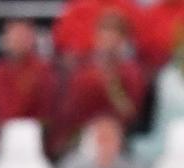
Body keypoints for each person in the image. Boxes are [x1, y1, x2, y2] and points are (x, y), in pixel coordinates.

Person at [57, 12, 147, 153]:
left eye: (114, 36)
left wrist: (112, 82)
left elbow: (130, 114)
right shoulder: (82, 68)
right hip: (83, 134)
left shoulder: (132, 72)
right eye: (104, 34)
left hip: (118, 136)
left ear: (123, 40)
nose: (108, 41)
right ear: (96, 36)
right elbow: (70, 110)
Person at [0, 19, 57, 156]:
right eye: (14, 36)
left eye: (23, 36)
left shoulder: (43, 72)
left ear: (31, 40)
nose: (18, 41)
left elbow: (50, 113)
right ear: (6, 40)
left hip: (33, 145)